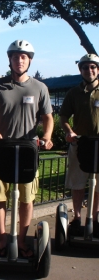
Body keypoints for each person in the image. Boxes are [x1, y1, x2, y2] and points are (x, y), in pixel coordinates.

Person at [0, 40, 54, 258]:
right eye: (15, 56)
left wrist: (46, 136)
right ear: (9, 60)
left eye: (24, 56)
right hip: (2, 149)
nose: (19, 60)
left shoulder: (40, 88)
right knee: (0, 197)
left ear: (29, 60)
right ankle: (2, 238)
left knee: (27, 199)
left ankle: (21, 240)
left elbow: (48, 117)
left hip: (28, 149)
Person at [59, 54, 99, 237]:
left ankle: (95, 217)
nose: (89, 71)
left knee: (98, 184)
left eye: (93, 67)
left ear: (97, 69)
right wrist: (69, 131)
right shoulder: (73, 93)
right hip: (80, 142)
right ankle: (76, 217)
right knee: (78, 182)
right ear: (80, 70)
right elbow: (64, 117)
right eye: (85, 68)